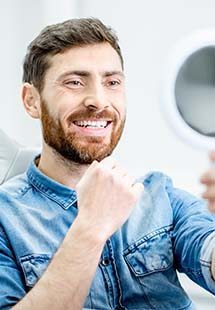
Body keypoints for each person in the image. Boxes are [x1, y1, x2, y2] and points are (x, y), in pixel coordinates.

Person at [0, 18, 214, 310]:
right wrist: (91, 226)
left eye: (112, 82)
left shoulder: (160, 195)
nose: (98, 100)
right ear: (31, 101)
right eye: (75, 82)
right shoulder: (5, 219)